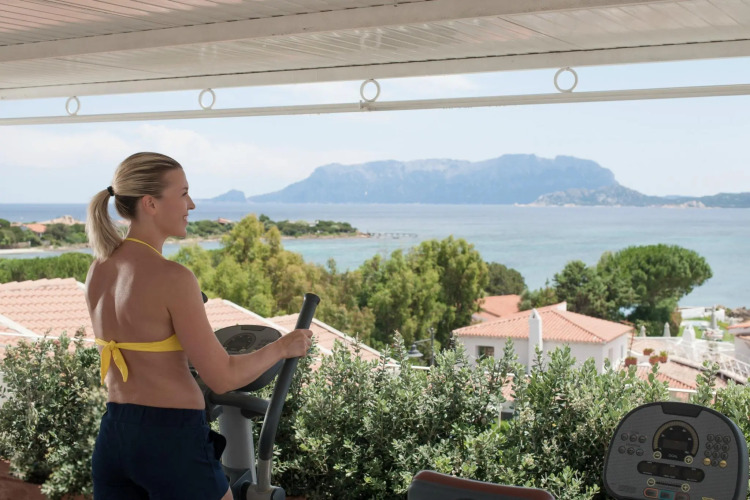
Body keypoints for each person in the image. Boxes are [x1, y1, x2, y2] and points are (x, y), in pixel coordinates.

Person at [85, 152, 313, 500]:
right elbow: (223, 377)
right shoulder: (173, 277)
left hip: (114, 435)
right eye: (183, 194)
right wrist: (283, 347)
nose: (190, 204)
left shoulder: (99, 269)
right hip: (171, 439)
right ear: (150, 203)